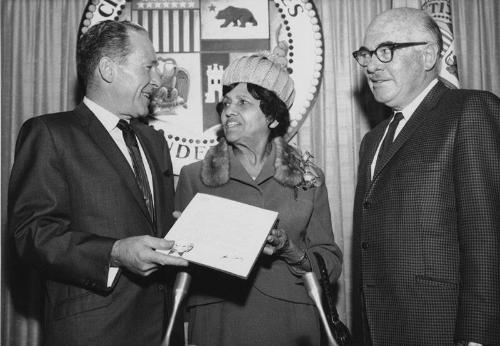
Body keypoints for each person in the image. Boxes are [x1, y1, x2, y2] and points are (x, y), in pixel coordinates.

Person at [7, 20, 188, 346]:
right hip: (94, 333)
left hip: (163, 331)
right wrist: (115, 252)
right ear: (108, 69)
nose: (157, 79)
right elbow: (32, 235)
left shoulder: (154, 142)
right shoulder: (50, 134)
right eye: (148, 66)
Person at [174, 44, 343, 346]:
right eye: (226, 103)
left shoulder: (308, 178)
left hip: (291, 321)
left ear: (272, 117)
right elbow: (176, 263)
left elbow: (330, 260)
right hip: (218, 321)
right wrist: (188, 242)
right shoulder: (193, 177)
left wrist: (293, 251)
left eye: (243, 103)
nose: (229, 111)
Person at [351, 7, 500, 346]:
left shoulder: (470, 111)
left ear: (429, 54)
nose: (372, 65)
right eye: (365, 54)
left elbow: (488, 236)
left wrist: (477, 338)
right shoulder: (372, 141)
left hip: (443, 330)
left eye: (385, 51)